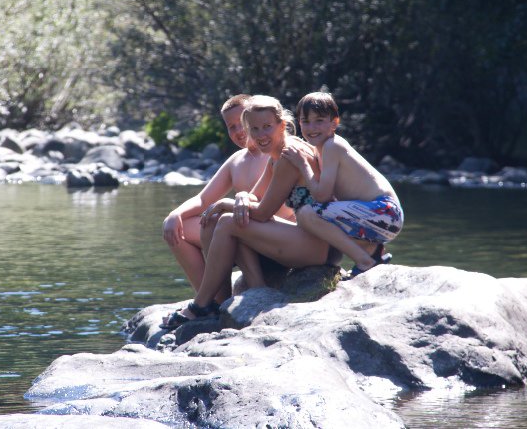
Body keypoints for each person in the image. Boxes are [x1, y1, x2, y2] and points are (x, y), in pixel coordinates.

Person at [162, 95, 334, 329]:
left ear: (282, 125)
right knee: (220, 219)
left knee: (229, 221)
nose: (258, 133)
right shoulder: (275, 156)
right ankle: (220, 301)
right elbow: (253, 195)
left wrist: (229, 203)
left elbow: (262, 212)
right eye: (254, 128)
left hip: (315, 244)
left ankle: (207, 303)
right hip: (285, 237)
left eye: (266, 127)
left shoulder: (289, 154)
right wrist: (241, 197)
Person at [162, 94, 294, 293]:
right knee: (177, 230)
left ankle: (244, 290)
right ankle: (214, 300)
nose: (239, 130)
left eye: (242, 122)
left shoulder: (278, 152)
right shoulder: (236, 160)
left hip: (276, 238)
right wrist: (175, 214)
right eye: (231, 127)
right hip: (244, 234)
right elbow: (203, 199)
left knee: (227, 220)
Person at [282, 91, 403, 277]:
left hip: (384, 211)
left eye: (319, 120)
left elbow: (321, 196)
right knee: (314, 217)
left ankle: (365, 261)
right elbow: (328, 198)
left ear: (334, 123)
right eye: (305, 121)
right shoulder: (322, 149)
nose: (311, 127)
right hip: (383, 215)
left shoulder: (332, 146)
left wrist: (302, 164)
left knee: (307, 214)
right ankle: (373, 251)